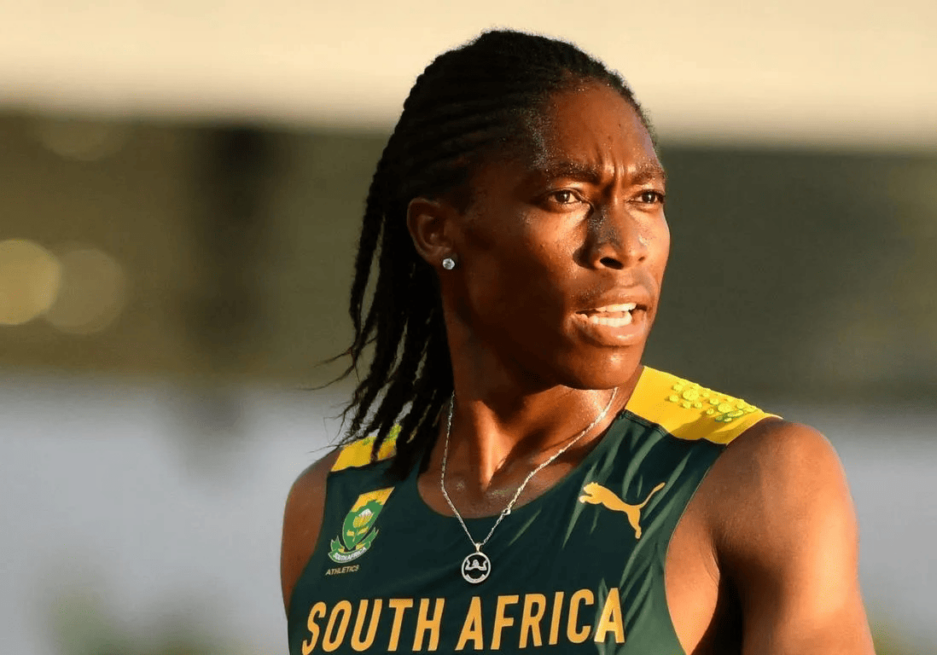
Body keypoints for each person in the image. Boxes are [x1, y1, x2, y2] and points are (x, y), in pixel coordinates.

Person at [280, 30, 875, 654]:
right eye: (567, 196)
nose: (624, 244)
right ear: (437, 233)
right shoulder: (330, 508)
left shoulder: (755, 477)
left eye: (646, 198)